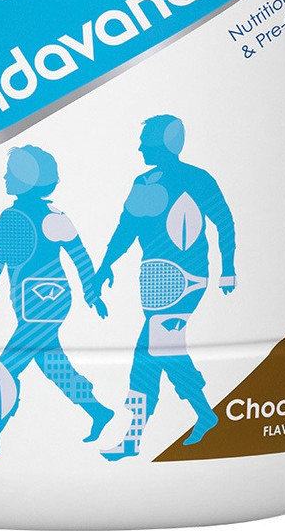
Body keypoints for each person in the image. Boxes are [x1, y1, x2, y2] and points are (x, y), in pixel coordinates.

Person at [92, 115, 236, 460]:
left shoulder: (197, 179)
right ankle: (203, 414)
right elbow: (125, 229)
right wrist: (104, 266)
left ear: (166, 144)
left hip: (186, 279)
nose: (140, 148)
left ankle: (134, 437)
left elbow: (224, 221)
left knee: (152, 351)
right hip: (155, 280)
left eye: (147, 142)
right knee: (159, 351)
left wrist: (228, 268)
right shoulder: (142, 183)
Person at [0, 145, 113, 460]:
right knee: (53, 365)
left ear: (27, 177)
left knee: (6, 367)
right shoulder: (17, 217)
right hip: (34, 302)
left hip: (45, 304)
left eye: (11, 172)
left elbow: (80, 259)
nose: (5, 177)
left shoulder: (48, 218)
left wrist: (93, 294)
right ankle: (98, 411)